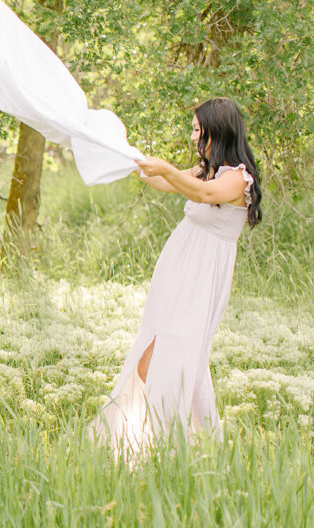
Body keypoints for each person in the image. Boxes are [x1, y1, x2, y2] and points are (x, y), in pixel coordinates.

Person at [91, 97, 263, 454]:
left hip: (201, 281)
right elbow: (165, 183)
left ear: (218, 131)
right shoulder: (208, 169)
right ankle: (193, 445)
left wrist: (166, 168)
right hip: (178, 274)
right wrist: (130, 159)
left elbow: (204, 194)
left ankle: (171, 441)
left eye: (198, 130)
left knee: (173, 361)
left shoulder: (236, 178)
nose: (193, 136)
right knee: (172, 361)